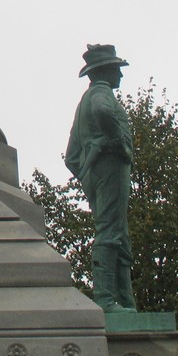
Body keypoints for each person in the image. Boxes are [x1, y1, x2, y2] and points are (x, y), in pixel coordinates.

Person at [64, 44, 136, 313]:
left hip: (95, 173)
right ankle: (106, 300)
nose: (121, 75)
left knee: (119, 234)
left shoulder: (82, 104)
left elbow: (71, 156)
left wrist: (86, 175)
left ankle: (126, 300)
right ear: (106, 71)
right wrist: (118, 143)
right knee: (111, 231)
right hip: (111, 167)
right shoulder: (101, 95)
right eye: (118, 69)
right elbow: (104, 113)